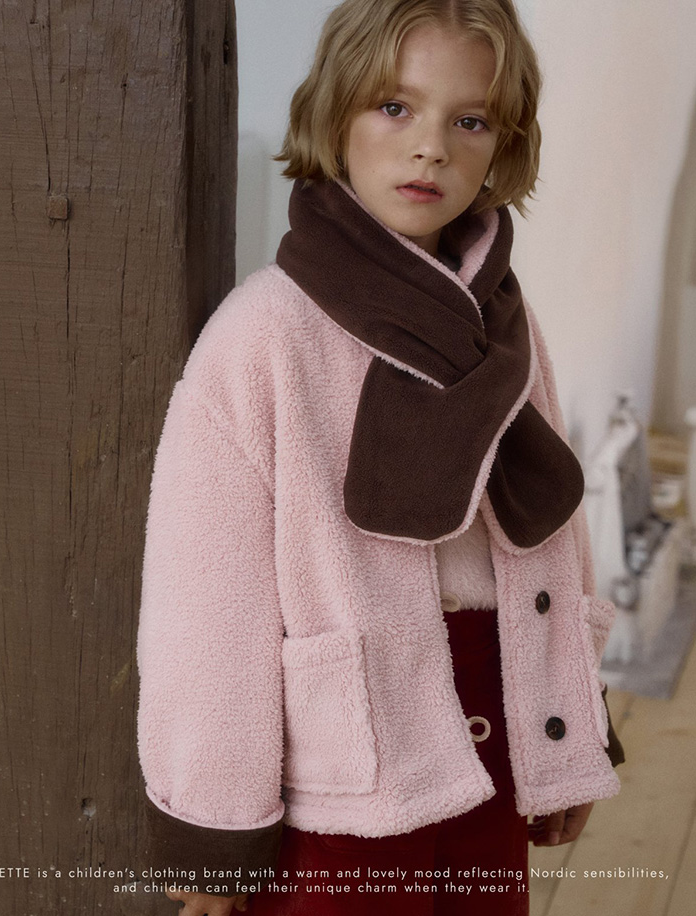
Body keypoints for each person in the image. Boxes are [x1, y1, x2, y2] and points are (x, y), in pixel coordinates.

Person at [136, 1, 625, 914]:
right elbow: (206, 605)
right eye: (395, 107)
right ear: (335, 115)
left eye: (469, 120)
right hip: (344, 762)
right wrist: (213, 822)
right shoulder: (265, 333)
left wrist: (571, 724)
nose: (430, 147)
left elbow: (553, 530)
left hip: (500, 718)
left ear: (502, 146)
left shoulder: (506, 320)